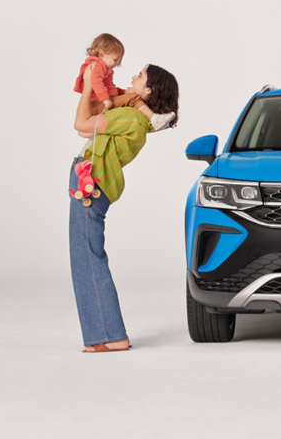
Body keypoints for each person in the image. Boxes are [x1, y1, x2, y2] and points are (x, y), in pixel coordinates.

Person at [70, 62, 179, 352]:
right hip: (91, 183)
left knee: (87, 257)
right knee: (88, 254)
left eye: (140, 76)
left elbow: (80, 125)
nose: (133, 77)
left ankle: (111, 335)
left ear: (148, 90)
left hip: (90, 184)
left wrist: (88, 85)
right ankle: (108, 333)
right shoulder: (133, 116)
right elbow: (87, 130)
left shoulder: (130, 118)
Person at [73, 33, 160, 122]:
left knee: (129, 98)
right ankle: (154, 119)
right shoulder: (96, 66)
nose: (117, 64)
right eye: (115, 60)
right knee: (132, 99)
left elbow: (108, 88)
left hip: (101, 102)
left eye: (119, 61)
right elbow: (96, 82)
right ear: (102, 54)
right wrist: (105, 99)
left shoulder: (103, 68)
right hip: (98, 103)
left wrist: (122, 92)